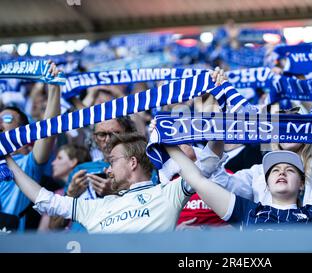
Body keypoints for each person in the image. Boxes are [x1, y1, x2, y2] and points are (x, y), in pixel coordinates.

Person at [166, 145, 312, 229]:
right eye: (275, 171)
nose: (281, 172)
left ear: (301, 183)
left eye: (290, 170)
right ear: (266, 183)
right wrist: (166, 144)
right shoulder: (247, 211)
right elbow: (198, 180)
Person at [5, 132, 193, 233]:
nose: (107, 170)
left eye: (112, 162)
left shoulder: (167, 193)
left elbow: (208, 165)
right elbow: (46, 200)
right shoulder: (96, 207)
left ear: (132, 162)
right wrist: (8, 160)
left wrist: (212, 107)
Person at [0, 61, 61, 232]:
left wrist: (54, 87)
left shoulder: (26, 165)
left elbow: (49, 130)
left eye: (7, 119)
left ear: (25, 138)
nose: (0, 122)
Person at [37, 144, 91, 232]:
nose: (53, 163)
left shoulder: (90, 191)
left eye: (59, 158)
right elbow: (43, 231)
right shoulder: (57, 194)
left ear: (73, 162)